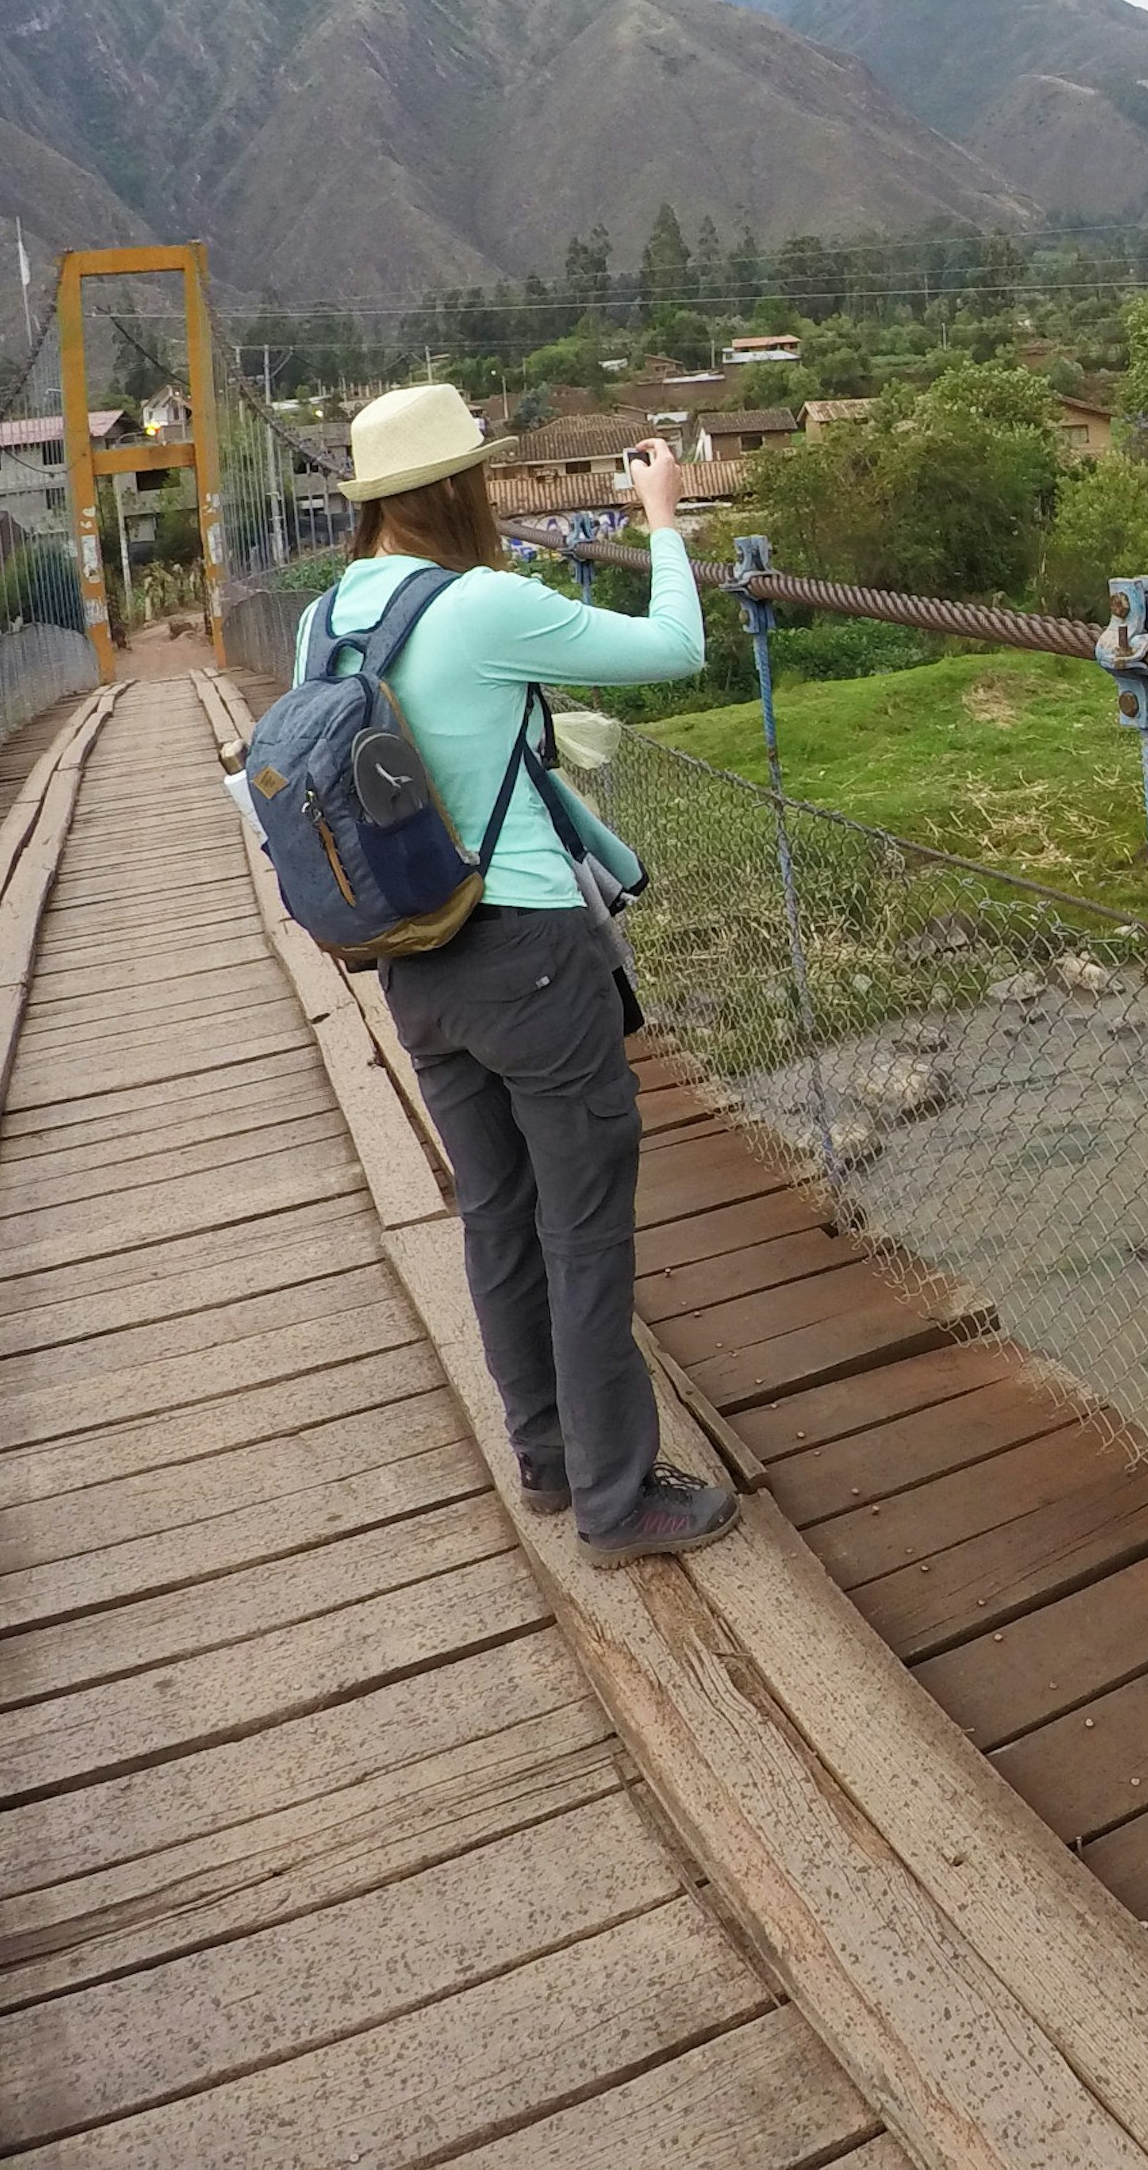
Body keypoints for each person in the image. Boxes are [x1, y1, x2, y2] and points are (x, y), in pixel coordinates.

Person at [321, 383, 736, 1563]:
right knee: (586, 1226)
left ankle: (550, 1459)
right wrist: (662, 517)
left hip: (415, 962)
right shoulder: (480, 603)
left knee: (496, 1216)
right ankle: (619, 1501)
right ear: (458, 487)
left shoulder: (329, 618)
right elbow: (676, 649)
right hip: (529, 958)